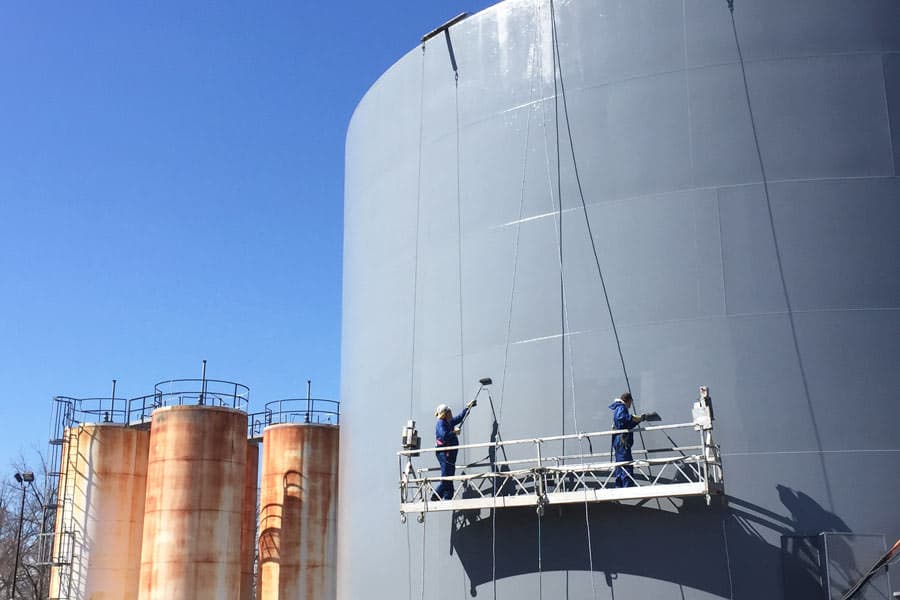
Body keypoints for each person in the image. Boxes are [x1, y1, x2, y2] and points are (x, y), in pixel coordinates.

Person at [433, 399, 476, 500]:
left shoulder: (448, 422)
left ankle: (447, 496)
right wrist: (453, 432)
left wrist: (467, 408)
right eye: (449, 412)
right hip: (444, 453)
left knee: (449, 476)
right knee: (446, 477)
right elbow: (443, 436)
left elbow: (459, 418)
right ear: (446, 414)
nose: (451, 413)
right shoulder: (441, 423)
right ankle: (437, 496)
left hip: (449, 454)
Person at [608, 392, 646, 488]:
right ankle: (626, 485)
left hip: (620, 441)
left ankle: (621, 485)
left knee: (621, 463)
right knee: (626, 462)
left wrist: (636, 421)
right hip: (622, 441)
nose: (630, 405)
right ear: (628, 400)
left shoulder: (619, 408)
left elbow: (624, 424)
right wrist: (633, 418)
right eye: (630, 403)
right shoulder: (621, 408)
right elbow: (621, 420)